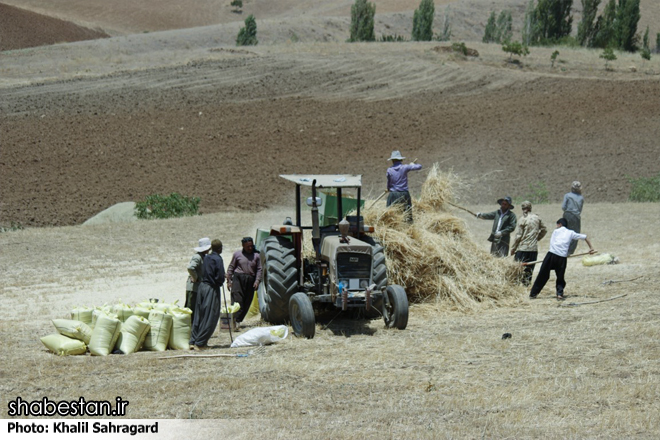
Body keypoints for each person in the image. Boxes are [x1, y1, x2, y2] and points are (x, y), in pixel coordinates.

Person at [529, 218, 596, 300]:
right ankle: (559, 294)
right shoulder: (571, 232)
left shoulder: (556, 231)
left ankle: (533, 294)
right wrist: (591, 248)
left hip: (551, 254)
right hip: (562, 257)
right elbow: (585, 237)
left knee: (543, 274)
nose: (556, 226)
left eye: (557, 225)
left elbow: (553, 243)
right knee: (560, 276)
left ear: (560, 224)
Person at [189, 239, 225, 350]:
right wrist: (221, 280)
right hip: (211, 288)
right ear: (220, 249)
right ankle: (200, 343)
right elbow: (219, 275)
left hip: (202, 287)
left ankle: (193, 341)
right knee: (210, 315)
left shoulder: (207, 257)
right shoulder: (218, 259)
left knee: (199, 314)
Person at [226, 237, 262, 327]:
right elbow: (231, 267)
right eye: (247, 246)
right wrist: (229, 280)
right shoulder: (237, 254)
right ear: (243, 246)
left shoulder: (257, 256)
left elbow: (259, 269)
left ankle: (238, 320)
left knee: (247, 302)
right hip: (238, 279)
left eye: (251, 246)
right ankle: (234, 321)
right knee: (238, 301)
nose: (250, 248)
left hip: (250, 280)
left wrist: (257, 281)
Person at [510, 201, 547, 286]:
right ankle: (526, 287)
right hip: (533, 249)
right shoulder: (537, 218)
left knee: (517, 269)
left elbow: (518, 236)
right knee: (529, 271)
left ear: (523, 209)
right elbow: (544, 230)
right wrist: (537, 238)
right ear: (530, 208)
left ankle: (516, 287)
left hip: (522, 249)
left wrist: (513, 248)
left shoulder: (522, 219)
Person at [386, 150, 422, 222]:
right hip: (404, 194)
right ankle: (408, 227)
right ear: (401, 159)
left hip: (393, 194)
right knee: (407, 213)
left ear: (392, 160)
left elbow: (389, 183)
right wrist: (412, 165)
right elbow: (419, 166)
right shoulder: (405, 167)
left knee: (392, 214)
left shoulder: (389, 170)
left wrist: (388, 188)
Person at [185, 237, 211, 318]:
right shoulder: (197, 257)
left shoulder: (203, 256)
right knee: (191, 309)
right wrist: (195, 277)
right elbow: (190, 268)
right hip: (193, 288)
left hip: (198, 288)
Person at [562, 181, 584, 255]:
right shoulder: (581, 198)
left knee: (565, 232)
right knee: (575, 233)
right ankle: (570, 251)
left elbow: (563, 207)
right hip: (575, 217)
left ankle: (563, 248)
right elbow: (580, 209)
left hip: (567, 215)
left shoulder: (567, 195)